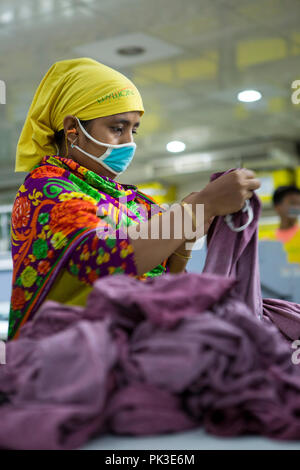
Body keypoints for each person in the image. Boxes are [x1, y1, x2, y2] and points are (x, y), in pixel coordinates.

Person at [8, 57, 260, 341]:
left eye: (134, 130)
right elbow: (109, 260)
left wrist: (188, 232)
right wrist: (196, 209)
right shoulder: (46, 191)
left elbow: (165, 286)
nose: (129, 142)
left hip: (128, 352)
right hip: (64, 358)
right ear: (72, 128)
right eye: (117, 128)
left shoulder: (135, 203)